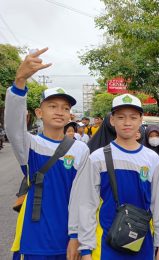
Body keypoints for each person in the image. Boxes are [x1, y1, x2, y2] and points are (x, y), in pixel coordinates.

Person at [5, 48, 90, 260]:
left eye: (64, 107)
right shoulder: (30, 145)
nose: (60, 111)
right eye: (52, 106)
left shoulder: (80, 149)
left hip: (69, 241)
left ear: (70, 114)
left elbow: (84, 199)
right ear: (39, 113)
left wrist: (78, 237)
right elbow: (14, 127)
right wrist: (20, 82)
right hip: (35, 241)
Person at [70, 93, 159, 260]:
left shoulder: (152, 159)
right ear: (112, 120)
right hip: (105, 246)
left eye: (133, 117)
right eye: (121, 117)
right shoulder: (97, 158)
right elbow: (87, 205)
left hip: (142, 245)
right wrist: (86, 249)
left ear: (140, 120)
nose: (127, 122)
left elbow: (158, 205)